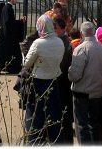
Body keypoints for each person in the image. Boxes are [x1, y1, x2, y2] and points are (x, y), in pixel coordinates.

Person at [23, 14, 65, 145]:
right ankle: (54, 141)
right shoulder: (60, 41)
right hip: (53, 80)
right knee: (53, 114)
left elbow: (26, 64)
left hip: (38, 82)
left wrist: (22, 55)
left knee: (35, 116)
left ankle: (34, 142)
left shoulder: (38, 43)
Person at [68, 21, 102, 144]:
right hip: (97, 91)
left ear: (81, 33)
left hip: (82, 92)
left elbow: (75, 75)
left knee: (81, 125)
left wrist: (69, 71)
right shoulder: (101, 48)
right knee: (94, 123)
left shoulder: (81, 49)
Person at [53, 17, 74, 144]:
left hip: (62, 83)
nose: (53, 30)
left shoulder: (63, 42)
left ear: (61, 28)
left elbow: (61, 65)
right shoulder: (62, 40)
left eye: (55, 28)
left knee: (63, 116)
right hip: (63, 82)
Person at [0, 0, 25, 74]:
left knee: (6, 54)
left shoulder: (6, 8)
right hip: (9, 36)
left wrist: (18, 22)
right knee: (14, 53)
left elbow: (8, 22)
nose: (17, 0)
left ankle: (7, 68)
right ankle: (12, 68)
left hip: (6, 35)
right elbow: (9, 22)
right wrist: (20, 22)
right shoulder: (8, 8)